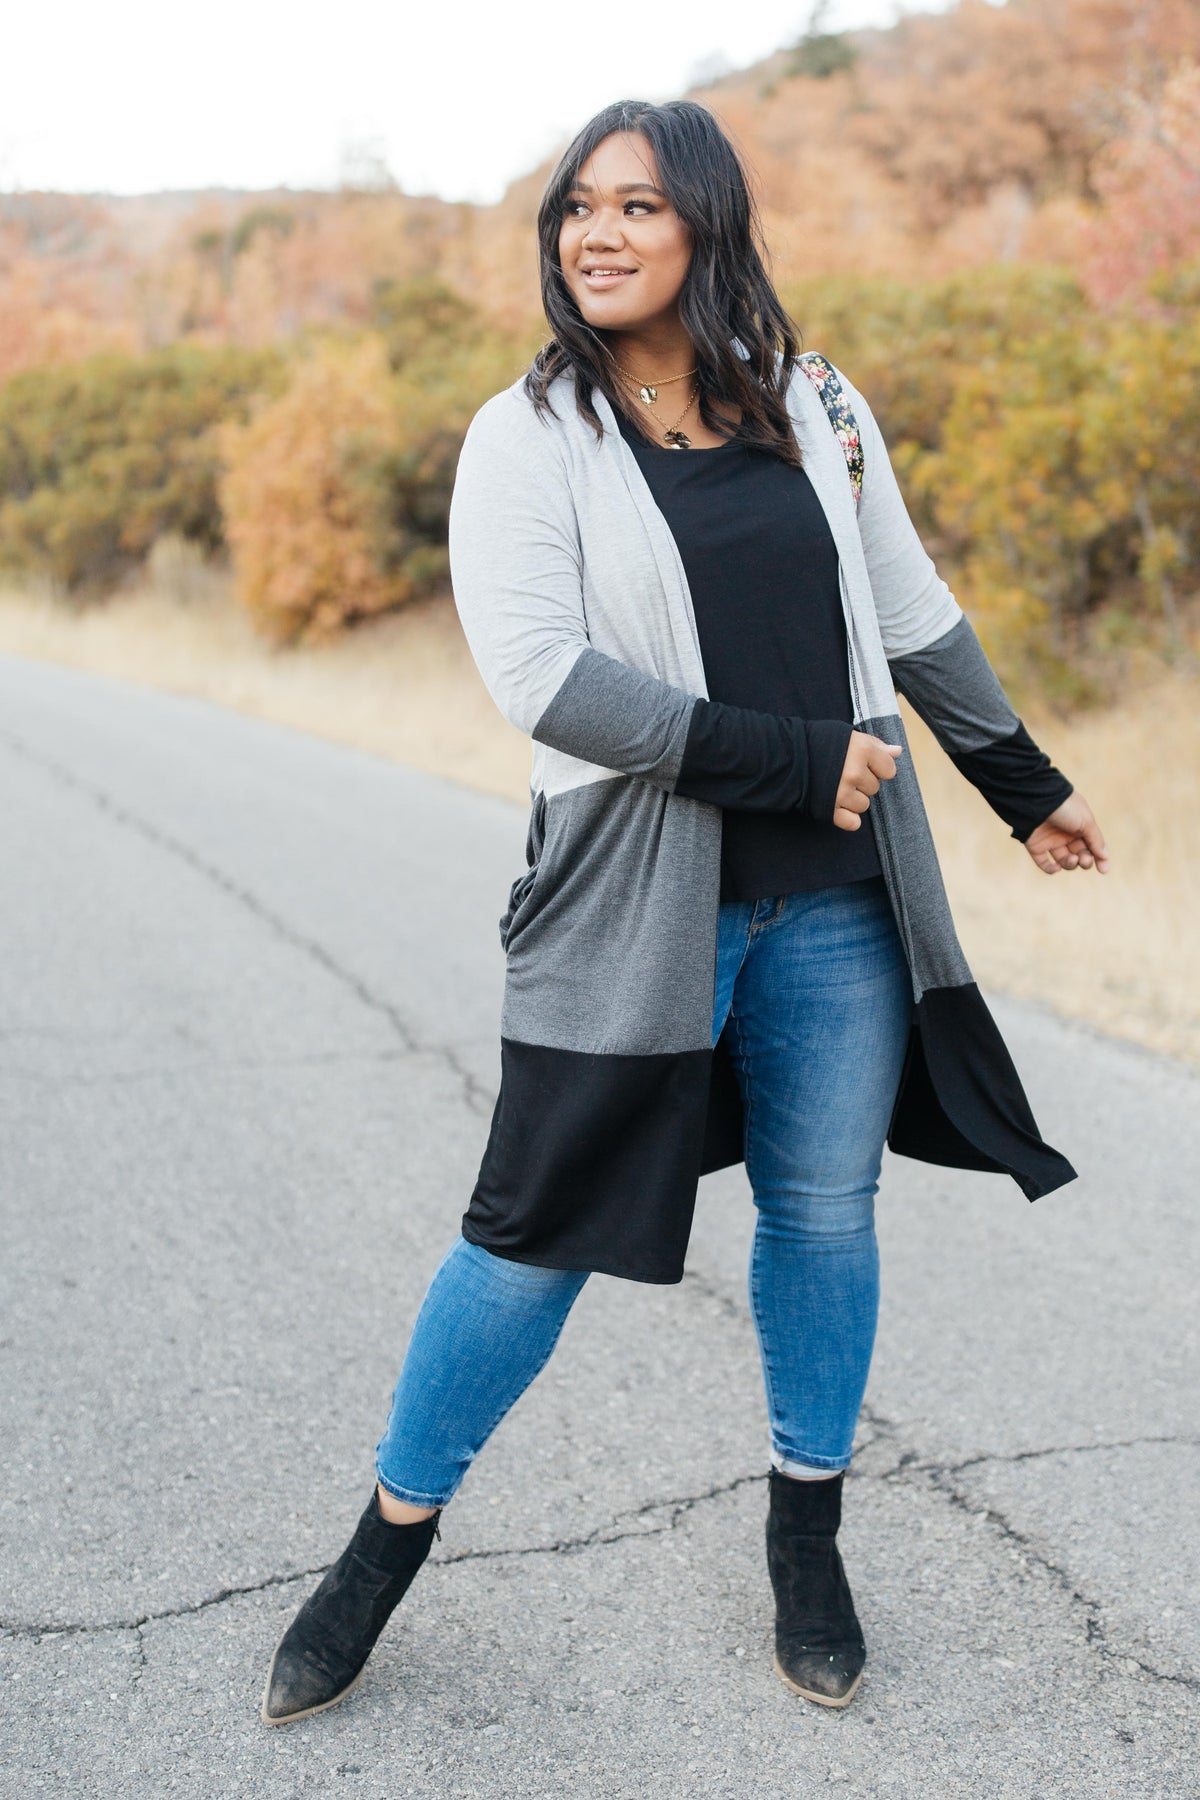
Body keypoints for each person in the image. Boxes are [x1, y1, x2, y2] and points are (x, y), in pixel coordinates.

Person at [261, 98, 1108, 1727]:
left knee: (826, 1215)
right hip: (635, 899)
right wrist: (796, 760)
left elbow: (911, 612)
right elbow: (545, 680)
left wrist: (1024, 783)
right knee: (529, 1237)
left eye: (639, 206)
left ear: (708, 223)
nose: (600, 233)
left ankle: (808, 1540)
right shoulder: (528, 436)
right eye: (578, 207)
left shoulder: (818, 403)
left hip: (841, 906)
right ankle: (380, 1550)